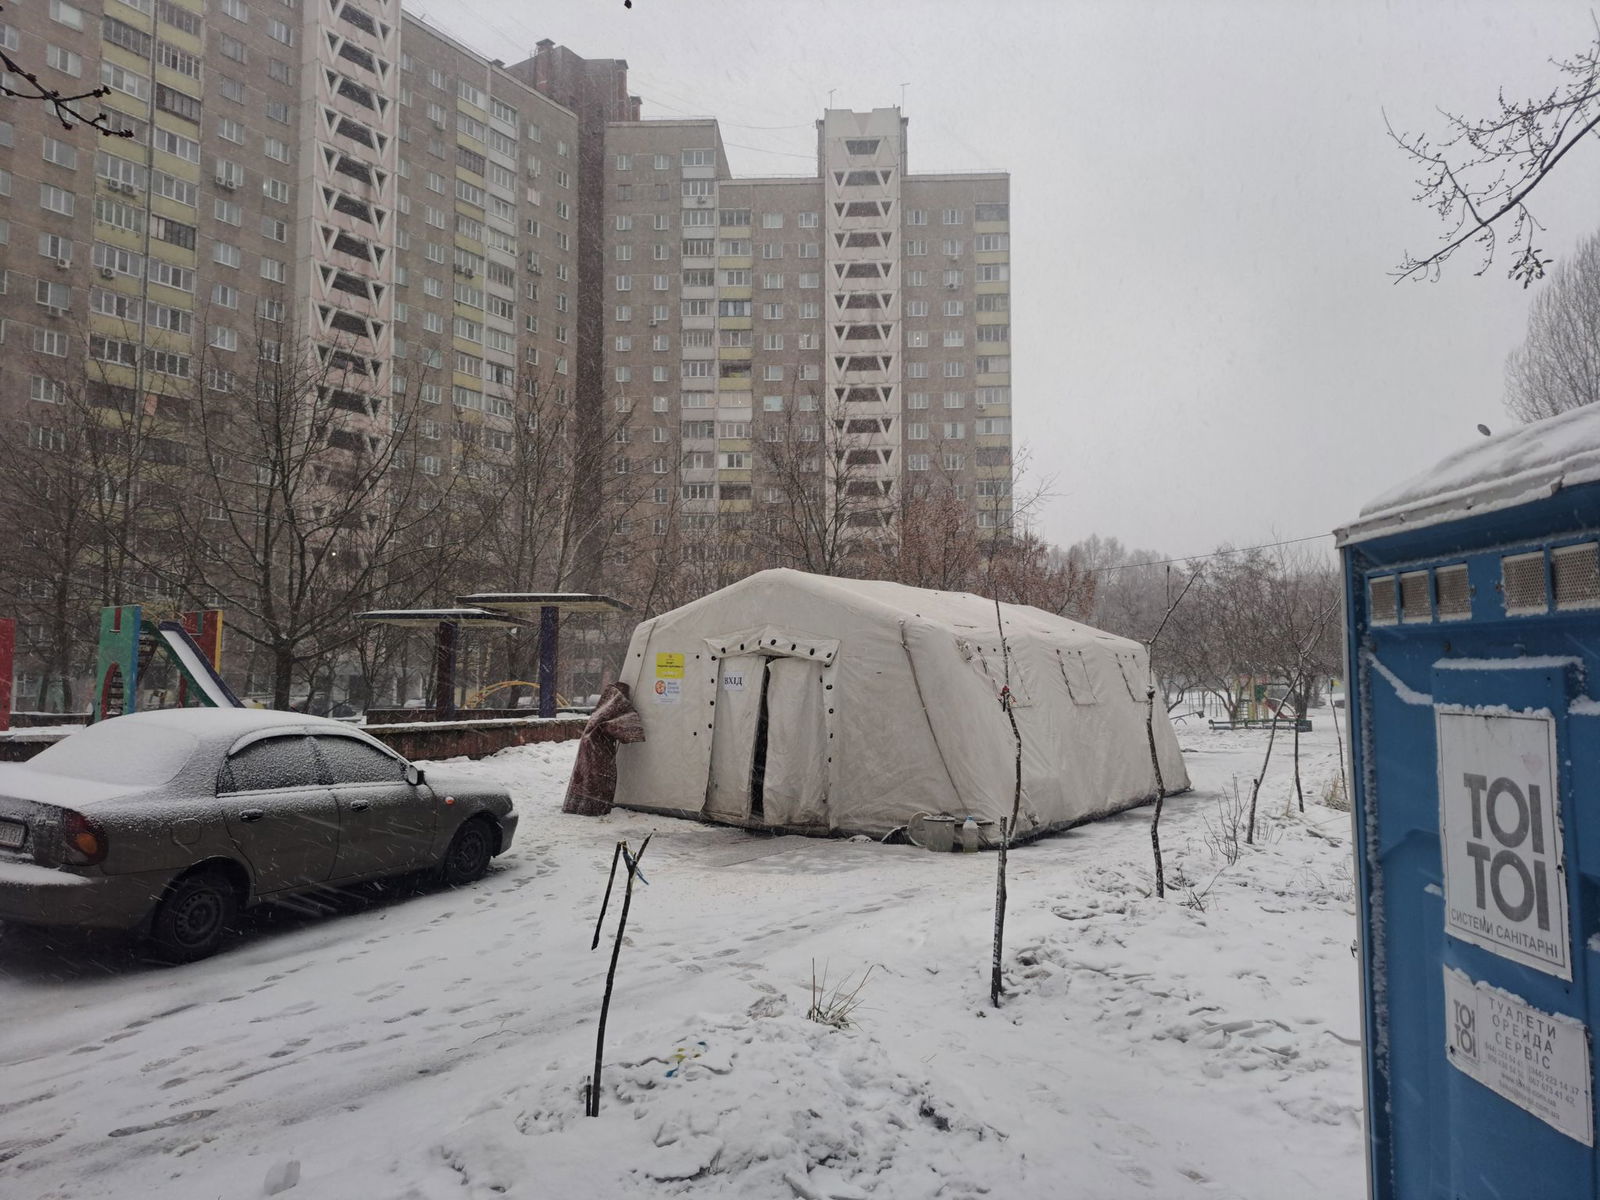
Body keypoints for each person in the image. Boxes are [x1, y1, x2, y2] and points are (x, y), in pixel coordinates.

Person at [562, 681, 645, 816]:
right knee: (599, 779)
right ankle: (594, 808)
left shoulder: (604, 707)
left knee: (586, 777)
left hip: (590, 746)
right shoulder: (615, 707)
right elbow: (616, 725)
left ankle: (582, 805)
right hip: (598, 749)